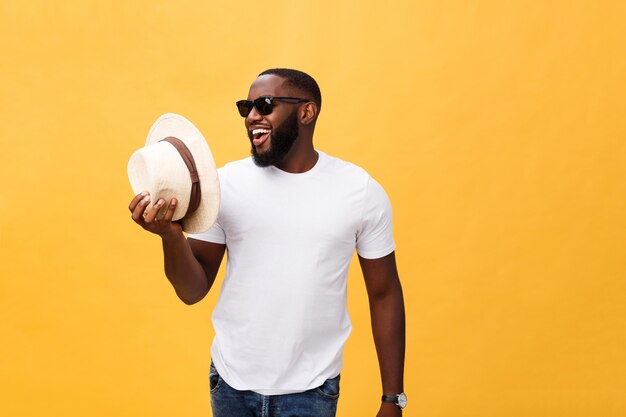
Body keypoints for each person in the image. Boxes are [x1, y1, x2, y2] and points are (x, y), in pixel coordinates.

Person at [128, 68, 406, 417]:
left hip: (312, 390)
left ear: (307, 112)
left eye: (265, 105)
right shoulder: (225, 186)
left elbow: (385, 294)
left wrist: (392, 398)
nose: (252, 117)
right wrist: (170, 237)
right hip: (231, 386)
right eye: (247, 107)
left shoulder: (359, 191)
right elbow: (192, 289)